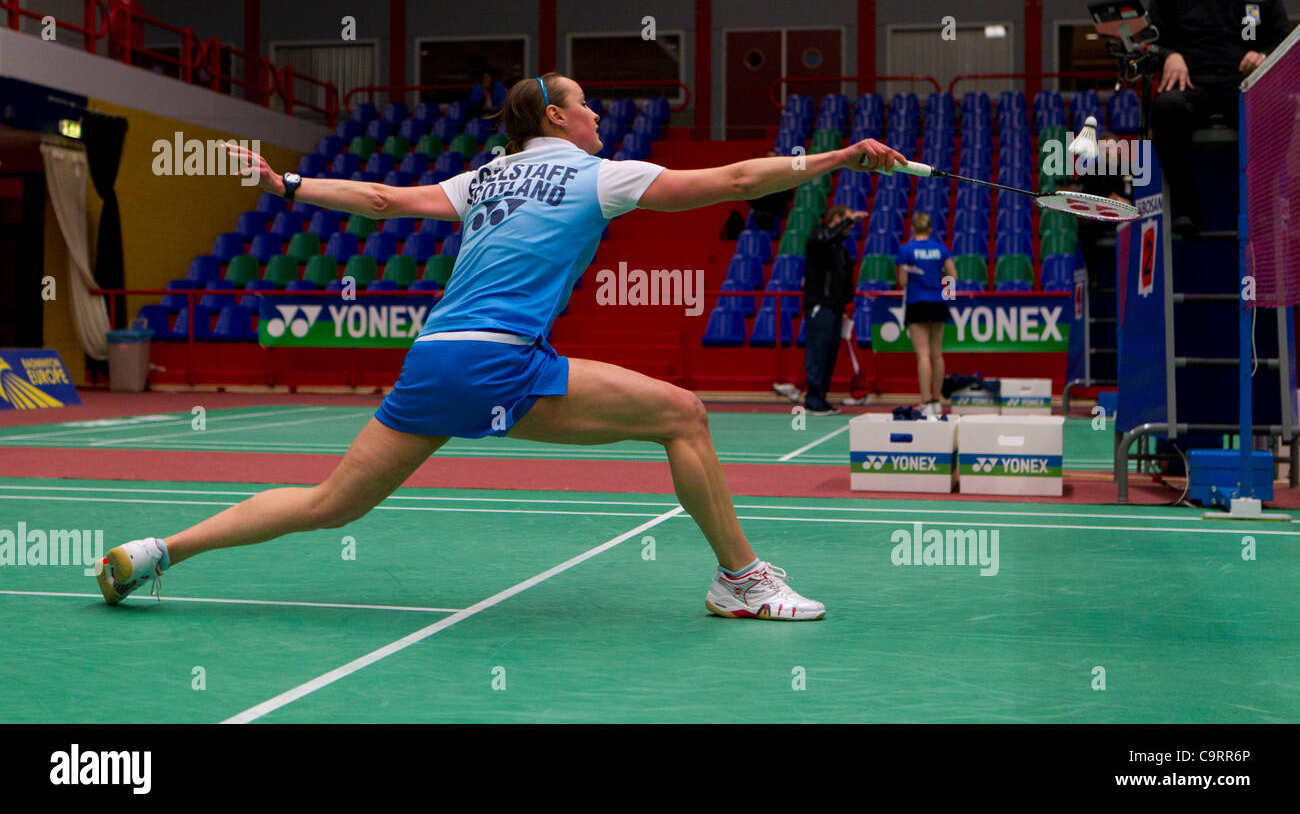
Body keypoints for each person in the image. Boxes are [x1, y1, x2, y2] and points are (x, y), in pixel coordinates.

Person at [94, 72, 906, 621]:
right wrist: (840, 156)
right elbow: (731, 184)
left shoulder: (483, 177)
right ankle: (741, 582)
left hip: (435, 357)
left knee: (328, 504)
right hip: (500, 361)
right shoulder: (603, 175)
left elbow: (380, 199)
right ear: (556, 117)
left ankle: (158, 549)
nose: (599, 120)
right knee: (685, 414)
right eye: (588, 108)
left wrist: (290, 186)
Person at [1148, 0, 1290, 236]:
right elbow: (1146, 46)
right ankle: (1186, 211)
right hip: (1190, 87)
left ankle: (1258, 203)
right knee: (1166, 106)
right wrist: (1168, 55)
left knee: (1282, 105)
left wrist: (1264, 57)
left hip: (1244, 87)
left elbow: (1284, 44)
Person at [799, 204, 866, 415]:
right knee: (818, 353)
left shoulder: (841, 249)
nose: (849, 227)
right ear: (836, 218)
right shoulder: (818, 236)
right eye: (846, 221)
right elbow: (825, 238)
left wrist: (846, 305)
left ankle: (821, 398)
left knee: (829, 355)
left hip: (835, 308)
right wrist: (851, 219)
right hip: (820, 305)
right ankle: (812, 399)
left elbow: (846, 281)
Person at [896, 212, 955, 418]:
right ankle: (938, 402)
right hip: (938, 303)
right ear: (930, 229)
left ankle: (926, 402)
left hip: (916, 303)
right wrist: (945, 291)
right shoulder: (940, 248)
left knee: (923, 355)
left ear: (913, 228)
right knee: (936, 353)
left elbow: (902, 282)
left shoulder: (906, 250)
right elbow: (953, 275)